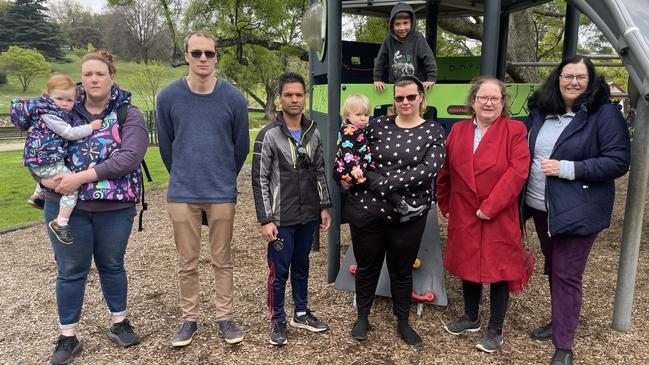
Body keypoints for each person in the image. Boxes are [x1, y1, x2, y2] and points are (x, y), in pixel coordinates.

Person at [35, 50, 147, 365]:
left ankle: (119, 323)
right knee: (70, 271)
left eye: (99, 73)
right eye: (87, 74)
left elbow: (129, 157)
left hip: (114, 208)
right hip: (64, 207)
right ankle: (67, 337)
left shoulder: (128, 114)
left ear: (112, 76)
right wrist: (44, 179)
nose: (93, 79)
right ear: (81, 78)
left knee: (112, 265)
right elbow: (38, 146)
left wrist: (81, 177)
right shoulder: (62, 110)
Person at [523, 55, 630, 365]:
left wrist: (569, 168)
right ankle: (561, 319)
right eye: (567, 76)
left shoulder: (604, 115)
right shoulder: (542, 112)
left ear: (590, 81)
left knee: (567, 273)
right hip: (541, 206)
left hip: (579, 208)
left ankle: (564, 345)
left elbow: (618, 161)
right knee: (554, 265)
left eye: (580, 77)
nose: (573, 82)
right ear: (557, 79)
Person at [156, 31, 249, 347]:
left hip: (221, 192)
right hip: (182, 193)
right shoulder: (167, 97)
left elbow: (241, 147)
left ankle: (225, 317)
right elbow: (166, 147)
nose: (203, 59)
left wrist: (224, 177)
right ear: (186, 56)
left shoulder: (234, 98)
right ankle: (189, 318)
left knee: (222, 259)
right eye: (196, 53)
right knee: (187, 261)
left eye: (209, 53)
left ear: (216, 57)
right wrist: (182, 175)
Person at [338, 75, 445, 346]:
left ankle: (403, 321)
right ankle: (363, 316)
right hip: (368, 210)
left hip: (407, 214)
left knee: (401, 269)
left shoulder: (432, 131)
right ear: (393, 100)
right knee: (367, 265)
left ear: (421, 97)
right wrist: (347, 174)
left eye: (411, 96)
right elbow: (352, 154)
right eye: (399, 97)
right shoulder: (376, 126)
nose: (405, 102)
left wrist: (383, 182)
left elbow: (428, 170)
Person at [436, 77, 530, 353]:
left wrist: (491, 206)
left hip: (499, 213)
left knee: (500, 270)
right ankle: (471, 316)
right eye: (483, 98)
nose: (488, 103)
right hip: (464, 211)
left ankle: (495, 328)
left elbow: (518, 172)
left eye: (495, 98)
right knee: (467, 264)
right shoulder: (458, 131)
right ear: (473, 101)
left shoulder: (515, 130)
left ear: (503, 103)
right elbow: (446, 171)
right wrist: (445, 203)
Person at [251, 71, 332, 346]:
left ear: (304, 97)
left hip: (308, 214)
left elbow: (320, 170)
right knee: (279, 271)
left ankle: (300, 312)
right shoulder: (268, 135)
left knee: (302, 265)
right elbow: (259, 178)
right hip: (281, 217)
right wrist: (265, 219)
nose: (294, 100)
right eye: (288, 95)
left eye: (299, 94)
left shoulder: (313, 132)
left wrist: (324, 206)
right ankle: (278, 320)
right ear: (280, 97)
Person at [10, 73, 103, 244]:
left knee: (56, 171)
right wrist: (91, 127)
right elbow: (69, 133)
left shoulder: (45, 110)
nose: (65, 104)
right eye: (59, 98)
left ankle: (37, 195)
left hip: (43, 159)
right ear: (47, 95)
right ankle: (61, 222)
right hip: (46, 160)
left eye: (69, 100)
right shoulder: (50, 114)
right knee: (71, 185)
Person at [333, 94, 425, 221]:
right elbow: (346, 152)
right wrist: (353, 168)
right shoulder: (348, 131)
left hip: (357, 169)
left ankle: (400, 207)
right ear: (348, 115)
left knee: (378, 181)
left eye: (366, 115)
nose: (363, 119)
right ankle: (403, 207)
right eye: (358, 115)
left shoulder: (359, 129)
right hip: (348, 170)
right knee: (380, 183)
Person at [373, 2, 437, 93]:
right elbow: (380, 60)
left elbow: (429, 59)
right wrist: (377, 79)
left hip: (416, 85)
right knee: (395, 106)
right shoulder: (388, 40)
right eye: (397, 24)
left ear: (412, 23)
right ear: (392, 25)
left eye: (405, 23)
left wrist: (431, 79)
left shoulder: (418, 38)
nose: (402, 28)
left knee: (415, 105)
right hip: (395, 86)